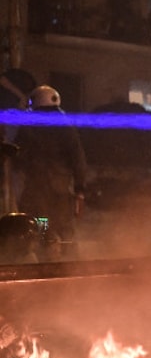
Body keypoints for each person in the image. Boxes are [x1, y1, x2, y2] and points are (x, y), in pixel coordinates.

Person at [13, 85, 87, 260]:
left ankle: (45, 267)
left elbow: (18, 157)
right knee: (65, 230)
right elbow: (78, 160)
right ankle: (72, 268)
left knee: (41, 228)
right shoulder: (67, 126)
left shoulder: (29, 126)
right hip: (61, 192)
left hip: (36, 193)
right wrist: (80, 190)